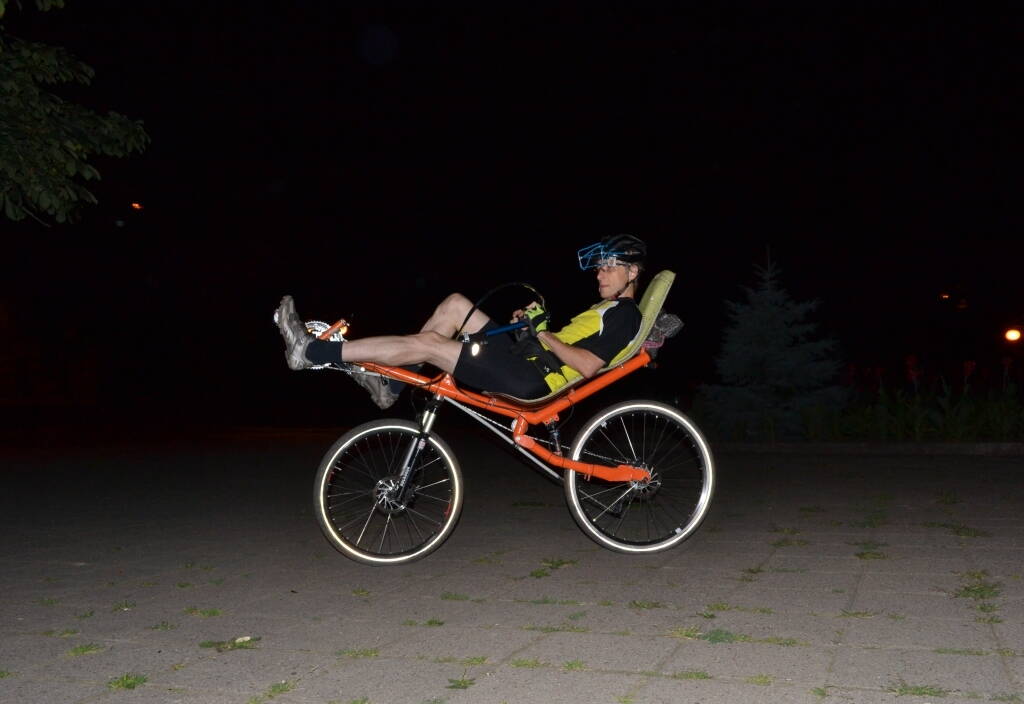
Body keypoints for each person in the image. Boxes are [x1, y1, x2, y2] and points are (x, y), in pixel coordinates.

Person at [276, 234, 647, 409]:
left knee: (430, 346)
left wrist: (544, 333)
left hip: (530, 379)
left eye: (609, 266)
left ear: (632, 272)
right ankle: (391, 388)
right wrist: (531, 328)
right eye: (599, 267)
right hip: (527, 359)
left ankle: (312, 351)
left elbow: (587, 365)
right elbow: (564, 345)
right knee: (455, 305)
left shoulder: (625, 314)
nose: (600, 273)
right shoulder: (606, 309)